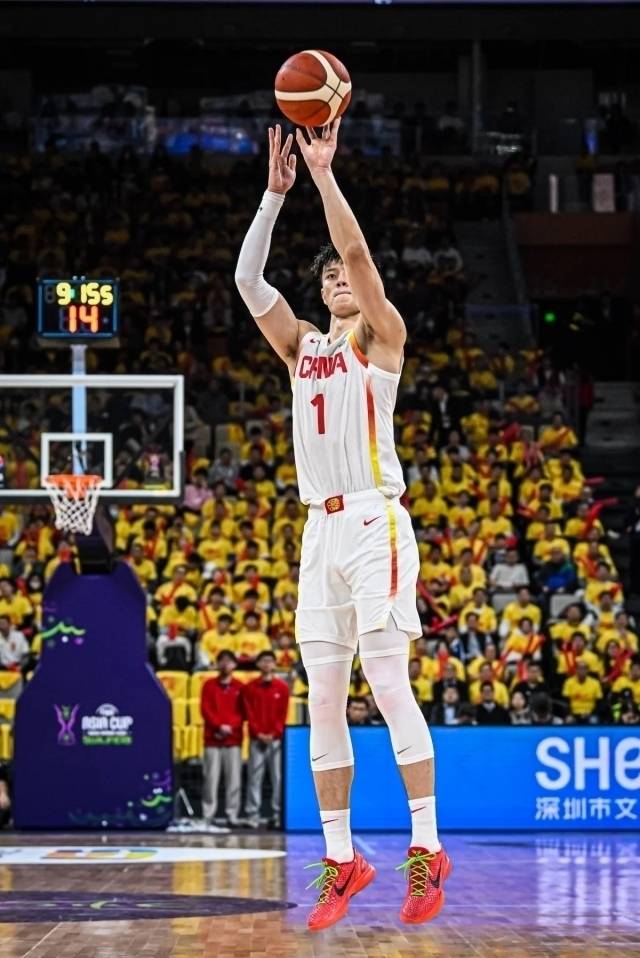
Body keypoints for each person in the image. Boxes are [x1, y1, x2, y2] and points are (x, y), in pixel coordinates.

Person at [235, 121, 450, 931]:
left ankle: (426, 849)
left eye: (348, 274)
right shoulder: (299, 349)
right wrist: (273, 195)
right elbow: (247, 278)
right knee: (323, 699)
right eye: (328, 275)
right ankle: (341, 857)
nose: (340, 278)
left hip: (374, 522)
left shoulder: (383, 340)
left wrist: (323, 178)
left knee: (388, 683)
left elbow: (356, 254)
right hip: (316, 532)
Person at [242, 650, 290, 830]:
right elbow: (249, 713)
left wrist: (274, 733)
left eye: (270, 660)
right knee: (254, 778)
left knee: (278, 778)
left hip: (276, 740)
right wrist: (258, 733)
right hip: (257, 739)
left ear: (274, 664)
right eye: (263, 660)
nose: (267, 664)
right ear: (258, 664)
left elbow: (283, 714)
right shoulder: (250, 688)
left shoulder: (282, 688)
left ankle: (278, 816)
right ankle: (252, 816)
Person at [200, 650, 244, 827]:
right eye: (222, 660)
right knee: (210, 779)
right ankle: (208, 814)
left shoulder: (240, 687)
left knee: (234, 780)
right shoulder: (208, 685)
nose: (225, 664)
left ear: (234, 665)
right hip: (213, 739)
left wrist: (229, 728)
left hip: (233, 740)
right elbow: (205, 709)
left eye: (229, 660)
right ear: (217, 664)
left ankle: (232, 815)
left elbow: (243, 712)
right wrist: (219, 727)